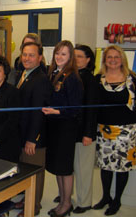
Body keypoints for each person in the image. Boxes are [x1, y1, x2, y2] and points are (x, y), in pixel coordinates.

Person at [93, 45, 136, 216]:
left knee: (122, 167)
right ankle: (105, 197)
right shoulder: (98, 79)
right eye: (109, 57)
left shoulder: (132, 79)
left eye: (116, 57)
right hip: (104, 130)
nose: (112, 60)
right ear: (105, 60)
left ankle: (117, 200)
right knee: (106, 166)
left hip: (127, 130)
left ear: (122, 59)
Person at [42, 40, 83, 217]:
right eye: (57, 53)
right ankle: (62, 200)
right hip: (54, 127)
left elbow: (75, 108)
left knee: (65, 168)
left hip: (65, 128)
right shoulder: (54, 73)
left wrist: (56, 111)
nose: (59, 57)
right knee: (58, 167)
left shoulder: (72, 77)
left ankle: (66, 204)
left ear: (70, 57)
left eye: (64, 54)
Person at [12, 42, 52, 216]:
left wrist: (32, 139)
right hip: (22, 133)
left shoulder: (41, 79)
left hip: (33, 137)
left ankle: (33, 206)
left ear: (40, 58)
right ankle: (26, 200)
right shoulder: (24, 74)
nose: (27, 58)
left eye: (31, 55)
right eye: (25, 54)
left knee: (35, 172)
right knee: (26, 171)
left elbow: (38, 113)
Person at [72, 44, 98, 214]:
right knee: (74, 166)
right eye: (74, 56)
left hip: (84, 133)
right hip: (72, 131)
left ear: (88, 60)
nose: (76, 59)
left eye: (80, 56)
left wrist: (88, 134)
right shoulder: (73, 75)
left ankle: (85, 201)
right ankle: (72, 195)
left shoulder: (91, 79)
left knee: (84, 169)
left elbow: (92, 109)